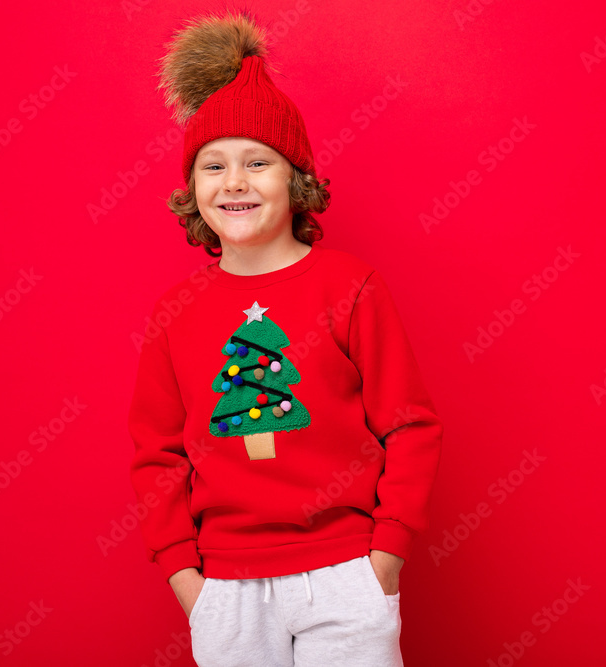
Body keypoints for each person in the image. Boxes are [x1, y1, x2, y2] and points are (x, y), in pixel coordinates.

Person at [127, 10, 443, 667]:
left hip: (346, 570)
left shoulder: (353, 287)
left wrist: (385, 554)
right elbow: (155, 456)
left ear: (296, 179)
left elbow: (410, 424)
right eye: (213, 165)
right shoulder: (175, 313)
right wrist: (188, 580)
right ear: (192, 189)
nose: (234, 181)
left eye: (257, 161)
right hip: (226, 583)